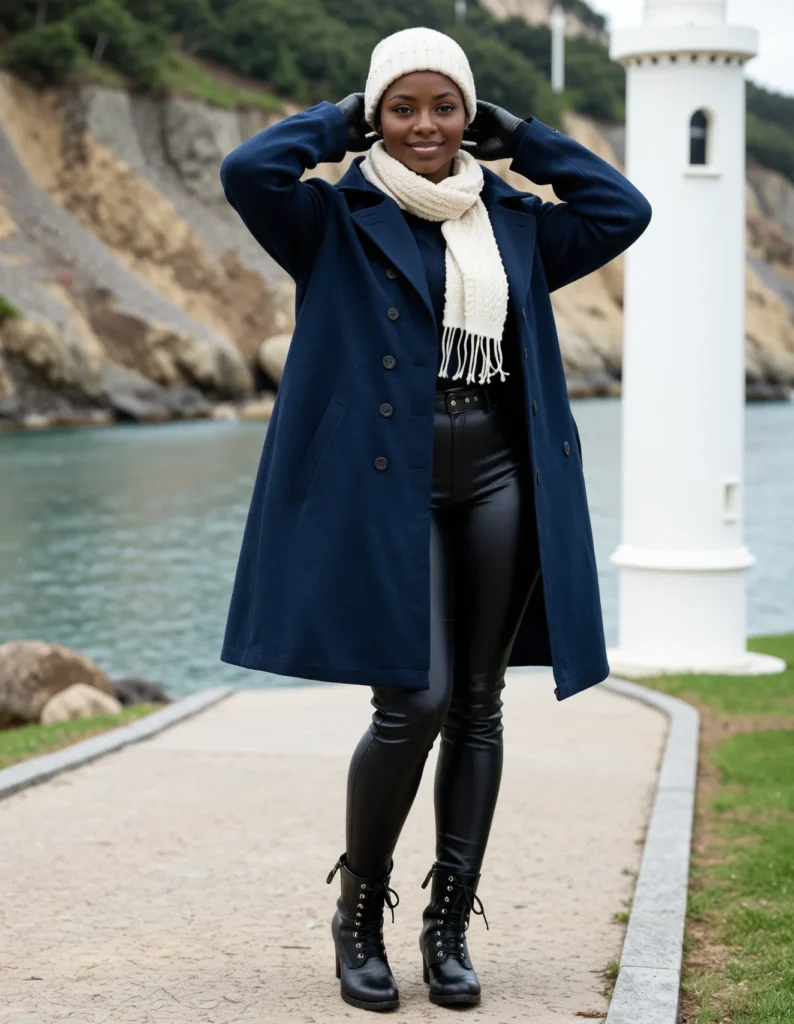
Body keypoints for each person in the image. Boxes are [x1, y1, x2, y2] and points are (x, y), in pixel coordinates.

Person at [218, 25, 652, 1013]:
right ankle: (358, 912)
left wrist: (522, 138)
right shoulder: (328, 216)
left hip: (497, 469)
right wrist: (339, 120)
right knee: (410, 700)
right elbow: (248, 168)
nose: (425, 126)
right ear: (378, 113)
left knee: (478, 703)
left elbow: (620, 207)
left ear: (468, 115)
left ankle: (447, 923)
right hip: (386, 485)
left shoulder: (516, 221)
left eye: (443, 105)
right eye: (403, 106)